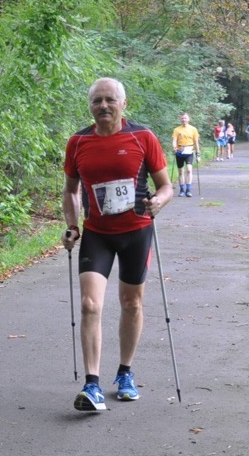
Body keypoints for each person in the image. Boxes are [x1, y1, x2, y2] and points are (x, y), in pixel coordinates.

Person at [61, 77, 173, 412]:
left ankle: (125, 373)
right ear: (90, 106)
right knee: (89, 304)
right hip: (97, 233)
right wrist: (72, 226)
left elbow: (165, 185)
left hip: (136, 231)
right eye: (97, 100)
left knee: (131, 303)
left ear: (123, 104)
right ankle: (92, 384)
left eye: (110, 99)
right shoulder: (78, 142)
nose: (103, 106)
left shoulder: (143, 137)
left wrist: (159, 201)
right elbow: (71, 190)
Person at [171, 113, 200, 197]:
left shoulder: (193, 129)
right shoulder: (177, 129)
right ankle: (181, 190)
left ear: (188, 119)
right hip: (179, 152)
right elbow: (174, 140)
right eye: (182, 118)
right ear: (181, 119)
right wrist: (174, 147)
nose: (184, 120)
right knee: (181, 171)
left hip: (189, 151)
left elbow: (196, 142)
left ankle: (188, 189)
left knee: (189, 170)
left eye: (185, 118)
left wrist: (198, 154)